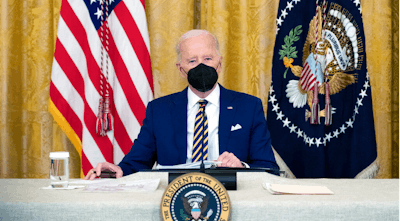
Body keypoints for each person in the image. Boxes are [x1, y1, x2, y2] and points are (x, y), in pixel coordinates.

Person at [85, 29, 278, 180]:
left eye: (208, 59)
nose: (201, 66)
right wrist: (115, 170)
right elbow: (136, 164)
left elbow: (269, 169)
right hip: (175, 198)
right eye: (192, 61)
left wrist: (241, 168)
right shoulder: (159, 110)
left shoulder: (248, 107)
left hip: (230, 195)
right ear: (181, 69)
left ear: (219, 63)